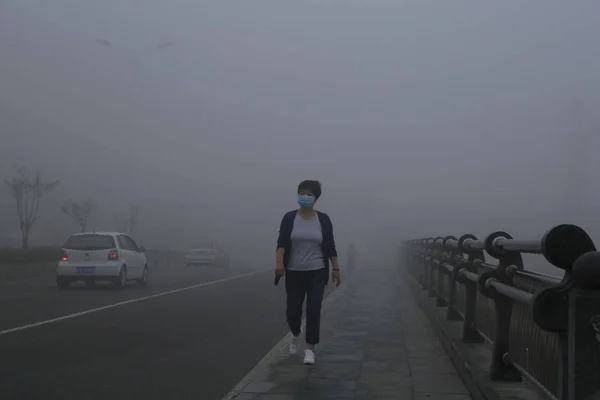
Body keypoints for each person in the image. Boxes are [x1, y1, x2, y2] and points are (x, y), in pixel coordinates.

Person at [275, 180, 341, 365]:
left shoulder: (323, 220)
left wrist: (335, 268)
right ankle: (295, 333)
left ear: (316, 198)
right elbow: (281, 243)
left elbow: (330, 246)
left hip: (317, 272)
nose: (305, 197)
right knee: (293, 311)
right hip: (294, 272)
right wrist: (279, 263)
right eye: (302, 193)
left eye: (309, 194)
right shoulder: (289, 218)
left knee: (314, 309)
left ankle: (309, 349)